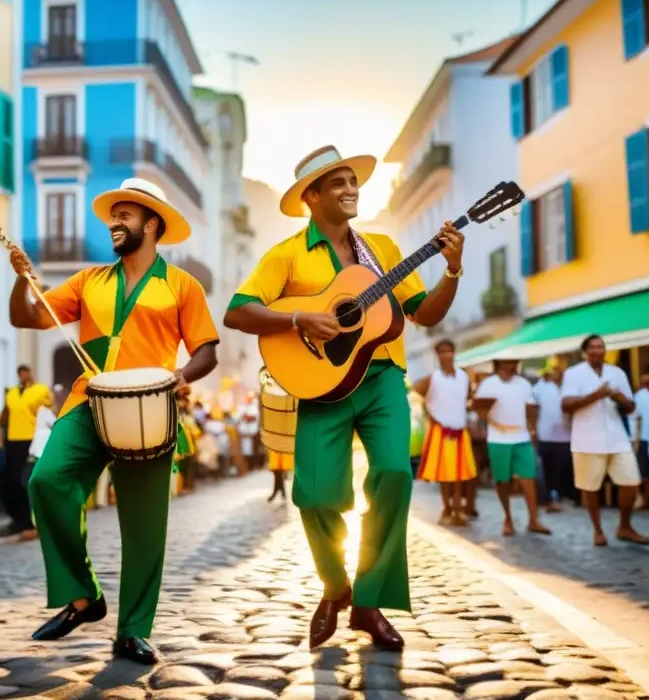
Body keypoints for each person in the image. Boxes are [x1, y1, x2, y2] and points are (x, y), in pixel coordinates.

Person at [223, 145, 464, 651]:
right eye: (338, 183)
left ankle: (370, 603)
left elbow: (426, 313)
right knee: (312, 495)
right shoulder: (286, 254)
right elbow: (238, 311)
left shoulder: (383, 248)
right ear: (311, 196)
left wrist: (453, 270)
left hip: (381, 381)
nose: (351, 189)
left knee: (396, 474)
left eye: (354, 181)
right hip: (321, 385)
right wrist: (298, 318)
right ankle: (337, 587)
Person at [7, 178, 219, 665]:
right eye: (113, 214)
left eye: (125, 215)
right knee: (47, 481)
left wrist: (182, 377)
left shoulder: (182, 285)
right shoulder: (88, 280)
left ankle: (133, 630)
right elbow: (30, 318)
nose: (114, 222)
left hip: (152, 407)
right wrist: (23, 278)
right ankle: (83, 597)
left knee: (145, 527)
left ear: (152, 223)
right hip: (89, 400)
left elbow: (206, 349)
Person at [561, 335, 649, 547]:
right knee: (590, 487)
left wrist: (617, 397)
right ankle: (598, 530)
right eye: (592, 348)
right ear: (585, 352)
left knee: (630, 481)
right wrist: (596, 395)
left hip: (617, 435)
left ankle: (625, 526)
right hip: (587, 437)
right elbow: (566, 405)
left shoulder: (617, 373)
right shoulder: (574, 374)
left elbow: (630, 407)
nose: (597, 351)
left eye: (600, 347)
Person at [472, 359, 551, 537]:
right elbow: (479, 409)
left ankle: (533, 520)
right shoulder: (488, 384)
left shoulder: (523, 383)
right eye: (510, 362)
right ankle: (507, 518)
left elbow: (530, 408)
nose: (514, 365)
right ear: (500, 364)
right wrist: (489, 420)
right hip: (498, 439)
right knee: (502, 480)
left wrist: (533, 430)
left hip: (521, 437)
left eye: (515, 362)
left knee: (529, 478)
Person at [414, 339, 476, 526]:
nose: (446, 355)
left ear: (454, 353)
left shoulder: (464, 377)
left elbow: (468, 398)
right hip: (440, 431)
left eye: (449, 351)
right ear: (437, 355)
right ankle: (447, 508)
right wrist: (429, 414)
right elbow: (416, 393)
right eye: (442, 352)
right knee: (444, 475)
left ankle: (457, 510)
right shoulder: (432, 378)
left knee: (459, 474)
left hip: (459, 430)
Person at [0, 365, 50, 542]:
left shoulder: (41, 390)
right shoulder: (11, 393)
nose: (23, 375)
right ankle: (20, 521)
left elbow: (50, 413)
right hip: (13, 440)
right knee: (10, 481)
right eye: (20, 372)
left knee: (26, 480)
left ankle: (35, 522)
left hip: (32, 440)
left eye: (26, 371)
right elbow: (5, 413)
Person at [532, 358, 572, 511]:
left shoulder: (568, 388)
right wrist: (533, 431)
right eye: (554, 370)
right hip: (545, 435)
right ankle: (547, 498)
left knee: (562, 469)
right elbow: (533, 411)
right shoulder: (539, 388)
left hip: (565, 436)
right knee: (546, 469)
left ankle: (559, 496)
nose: (557, 373)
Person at [630, 368, 649, 511]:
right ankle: (646, 500)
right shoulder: (640, 397)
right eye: (644, 383)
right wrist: (635, 440)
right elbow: (636, 419)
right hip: (642, 438)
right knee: (644, 473)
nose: (646, 387)